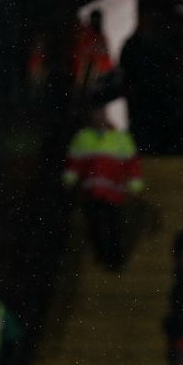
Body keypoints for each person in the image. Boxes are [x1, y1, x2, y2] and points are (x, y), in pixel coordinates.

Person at [63, 105, 144, 271]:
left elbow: (132, 162)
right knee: (94, 225)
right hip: (90, 192)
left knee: (113, 225)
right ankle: (102, 257)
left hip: (113, 192)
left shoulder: (120, 138)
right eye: (96, 112)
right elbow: (75, 162)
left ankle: (114, 260)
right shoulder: (82, 137)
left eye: (102, 113)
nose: (99, 116)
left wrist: (135, 184)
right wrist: (69, 179)